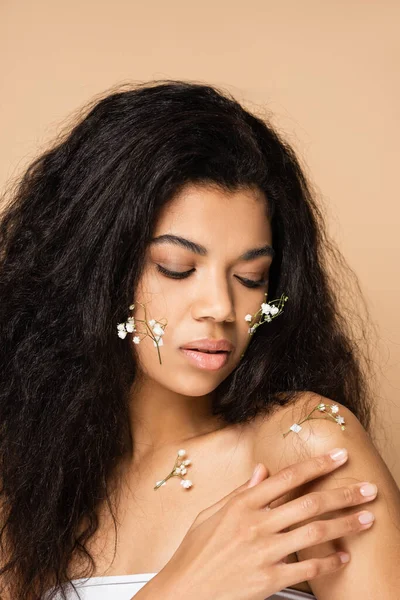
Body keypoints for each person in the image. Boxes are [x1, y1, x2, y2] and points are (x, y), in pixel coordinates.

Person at [0, 80, 399, 600]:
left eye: (251, 277)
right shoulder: (30, 496)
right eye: (177, 268)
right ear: (95, 273)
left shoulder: (307, 447)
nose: (220, 307)